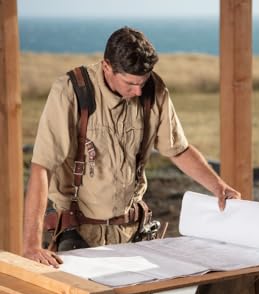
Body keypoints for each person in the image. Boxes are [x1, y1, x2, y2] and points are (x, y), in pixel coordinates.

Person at [23, 27, 240, 271]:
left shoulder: (153, 90)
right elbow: (43, 167)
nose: (138, 91)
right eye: (130, 83)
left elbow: (178, 149)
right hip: (77, 233)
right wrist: (31, 246)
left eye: (143, 82)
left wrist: (218, 186)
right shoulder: (70, 91)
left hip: (132, 233)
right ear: (107, 67)